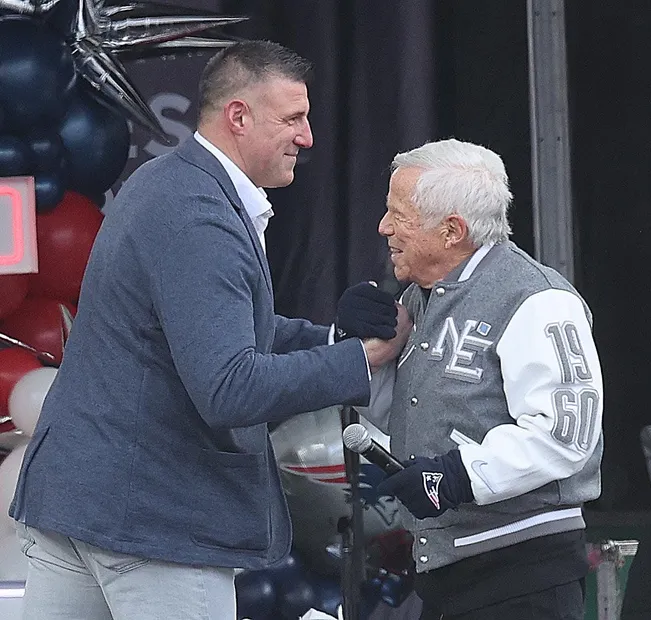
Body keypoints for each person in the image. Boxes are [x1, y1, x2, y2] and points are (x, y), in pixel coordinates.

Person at [9, 40, 410, 620]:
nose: (308, 137)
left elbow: (210, 330)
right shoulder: (201, 216)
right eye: (293, 118)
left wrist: (329, 340)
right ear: (239, 117)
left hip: (77, 506)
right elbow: (228, 387)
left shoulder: (164, 182)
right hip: (153, 523)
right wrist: (361, 360)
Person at [363, 138, 604, 620]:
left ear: (452, 230)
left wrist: (457, 475)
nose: (384, 227)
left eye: (398, 214)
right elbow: (400, 417)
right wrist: (363, 350)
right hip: (447, 575)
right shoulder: (419, 299)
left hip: (521, 579)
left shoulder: (538, 298)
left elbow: (565, 435)